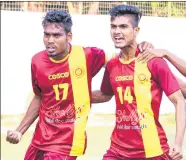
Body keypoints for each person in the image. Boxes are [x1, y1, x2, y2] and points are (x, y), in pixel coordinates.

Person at [5, 10, 153, 160]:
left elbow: (123, 58)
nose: (50, 40)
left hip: (67, 143)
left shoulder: (87, 55)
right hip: (39, 140)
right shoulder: (37, 61)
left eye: (56, 35)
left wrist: (143, 47)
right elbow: (39, 97)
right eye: (47, 34)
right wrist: (19, 131)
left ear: (69, 37)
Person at [92, 5, 186, 160]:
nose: (117, 32)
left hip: (151, 150)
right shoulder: (112, 65)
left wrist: (178, 143)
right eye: (113, 27)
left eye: (123, 27)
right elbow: (105, 94)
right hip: (117, 151)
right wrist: (72, 95)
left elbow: (179, 101)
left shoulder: (153, 62)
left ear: (136, 31)